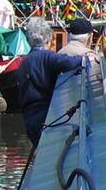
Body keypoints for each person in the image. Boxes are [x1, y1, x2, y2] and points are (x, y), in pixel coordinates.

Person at [18, 17, 87, 149]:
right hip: (43, 115)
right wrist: (85, 57)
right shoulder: (46, 56)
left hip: (28, 117)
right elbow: (68, 62)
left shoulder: (24, 62)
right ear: (48, 39)